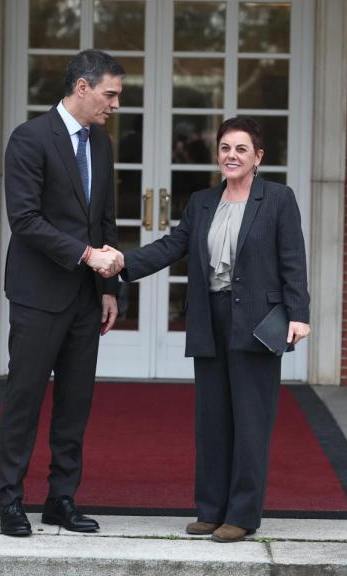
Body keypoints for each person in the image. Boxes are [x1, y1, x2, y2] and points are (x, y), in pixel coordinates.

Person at [121, 117, 310, 543]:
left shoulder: (278, 199)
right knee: (212, 420)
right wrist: (124, 265)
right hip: (210, 319)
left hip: (258, 324)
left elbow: (293, 259)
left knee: (250, 420)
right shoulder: (203, 202)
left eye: (241, 149)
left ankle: (241, 514)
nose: (232, 155)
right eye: (225, 148)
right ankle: (211, 509)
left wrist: (299, 313)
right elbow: (174, 245)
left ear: (258, 157)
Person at [0, 49, 126, 537]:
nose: (114, 104)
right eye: (110, 94)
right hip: (37, 294)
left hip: (87, 299)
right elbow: (25, 220)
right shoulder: (29, 139)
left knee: (75, 403)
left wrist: (108, 287)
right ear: (81, 88)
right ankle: (10, 500)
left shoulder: (103, 143)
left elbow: (104, 219)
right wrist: (87, 255)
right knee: (24, 399)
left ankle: (61, 499)